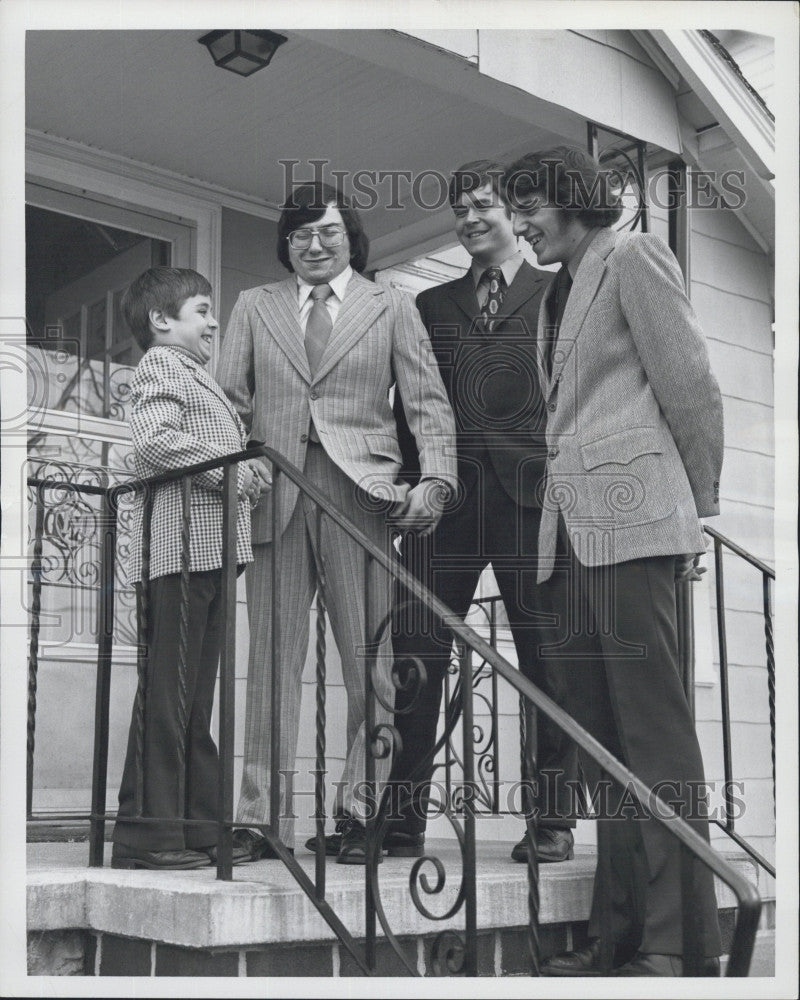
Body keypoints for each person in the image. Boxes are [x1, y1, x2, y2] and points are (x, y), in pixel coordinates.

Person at [504, 146, 724, 976]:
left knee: (654, 740)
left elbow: (691, 385)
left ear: (571, 200)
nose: (520, 225)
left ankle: (676, 945)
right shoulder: (554, 290)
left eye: (529, 207)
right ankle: (618, 939)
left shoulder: (634, 255)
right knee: (603, 749)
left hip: (636, 531)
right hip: (569, 540)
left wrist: (694, 512)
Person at [216, 182, 457, 864]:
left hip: (362, 498)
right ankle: (260, 820)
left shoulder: (392, 306)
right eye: (300, 235)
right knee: (270, 663)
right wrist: (236, 471)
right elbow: (231, 403)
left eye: (327, 234)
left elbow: (427, 405)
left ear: (352, 238)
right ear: (285, 244)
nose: (314, 246)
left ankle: (359, 813)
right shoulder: (253, 307)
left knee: (370, 666)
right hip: (275, 493)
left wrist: (435, 480)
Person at [386, 160, 579, 862]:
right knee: (416, 655)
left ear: (515, 215)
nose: (468, 218)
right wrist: (414, 484)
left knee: (547, 660)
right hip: (449, 503)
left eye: (482, 205)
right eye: (458, 209)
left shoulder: (562, 291)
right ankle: (400, 819)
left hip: (536, 502)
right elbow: (412, 408)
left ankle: (553, 821)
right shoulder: (427, 307)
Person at [112, 267, 263, 870]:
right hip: (176, 556)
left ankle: (199, 829)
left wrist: (245, 475)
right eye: (202, 310)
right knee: (170, 700)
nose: (213, 322)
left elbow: (198, 450)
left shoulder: (198, 378)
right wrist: (234, 467)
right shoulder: (161, 367)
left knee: (194, 702)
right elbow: (154, 441)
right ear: (161, 321)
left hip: (209, 556)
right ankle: (148, 838)